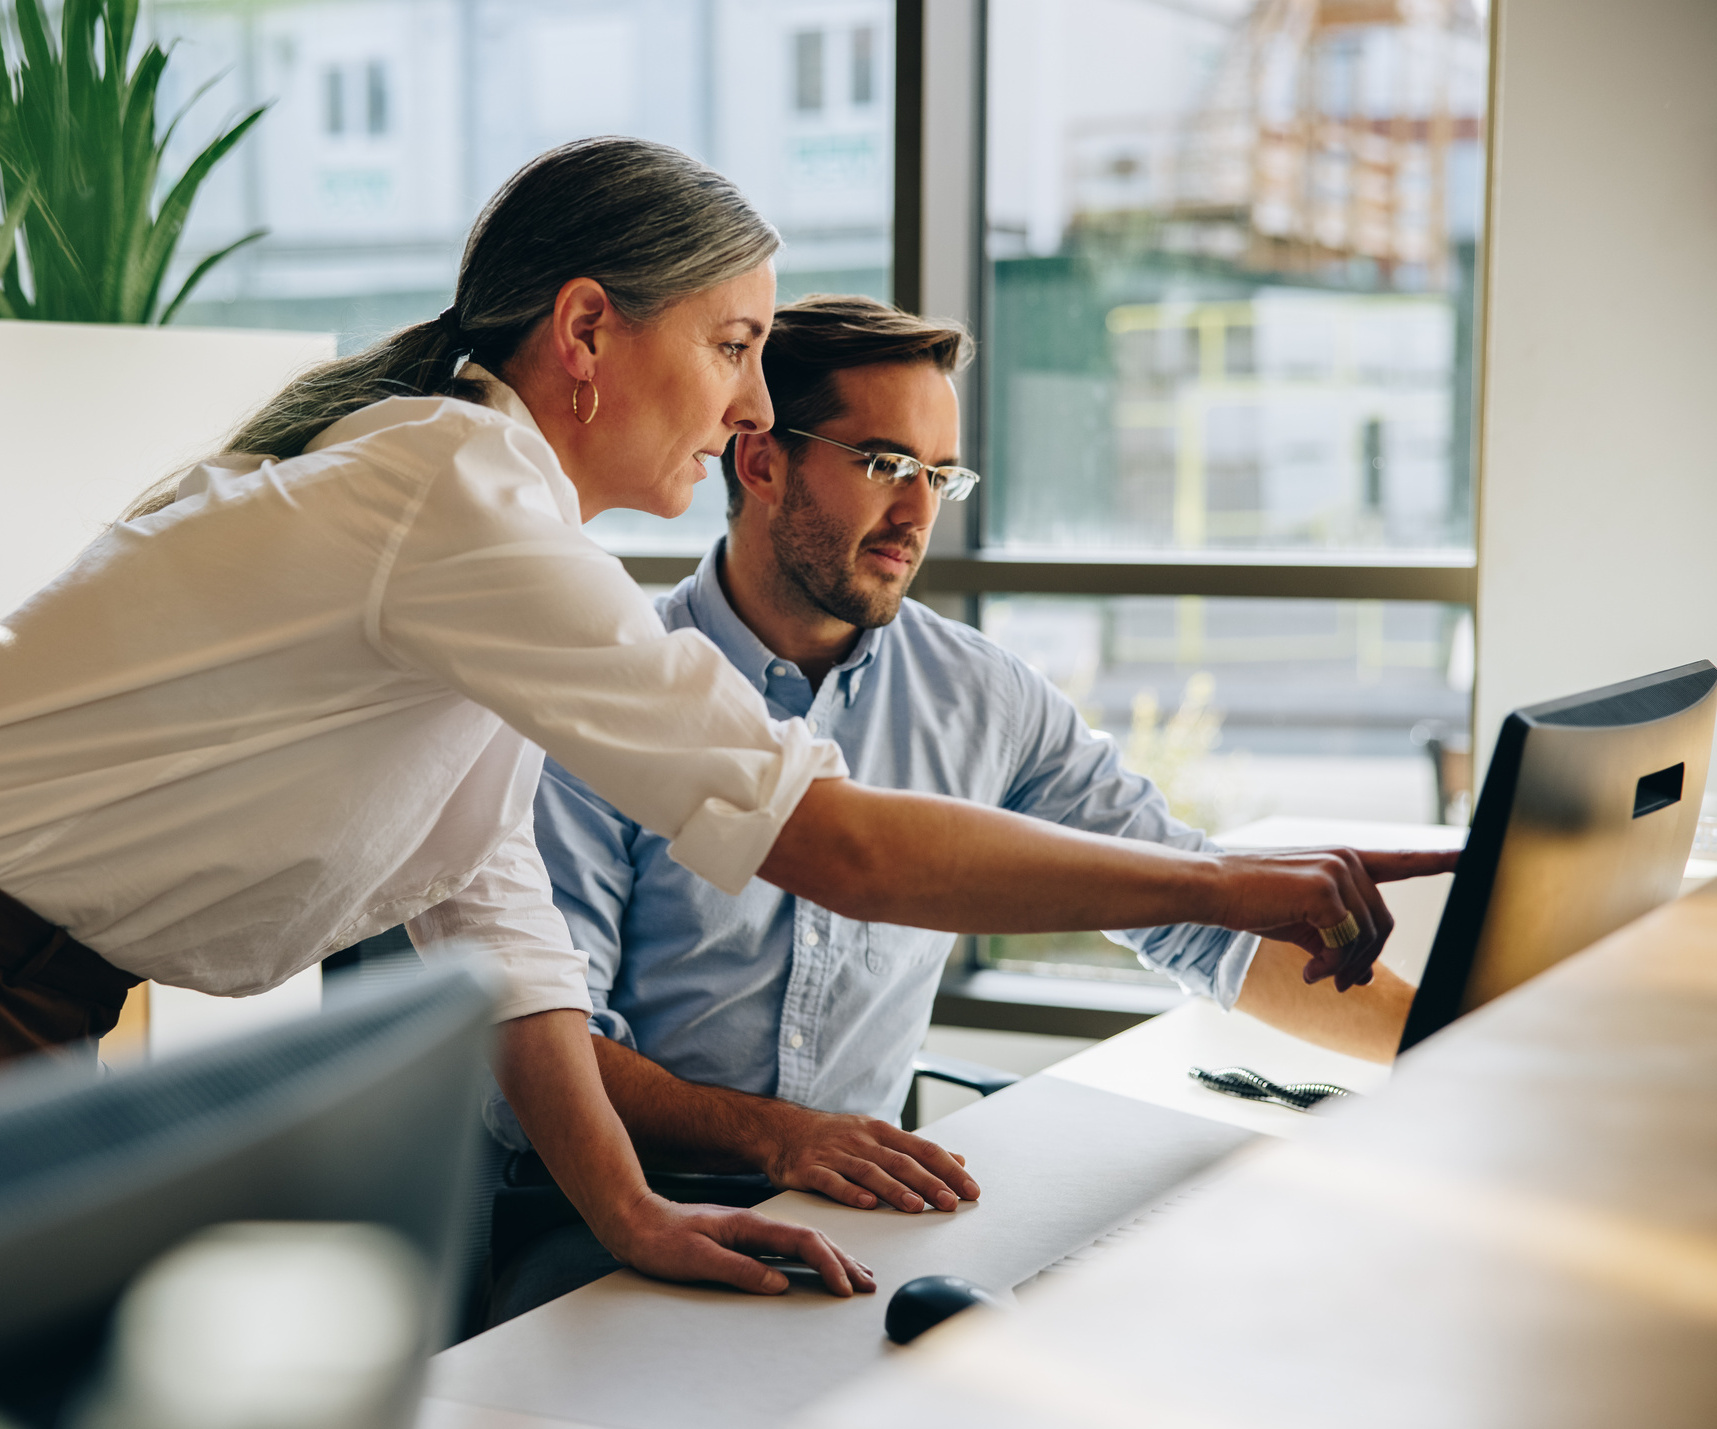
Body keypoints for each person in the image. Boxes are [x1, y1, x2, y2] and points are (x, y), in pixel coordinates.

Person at [0, 138, 1452, 1301]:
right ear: (586, 330)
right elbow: (838, 848)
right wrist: (1224, 879)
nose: (748, 399)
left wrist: (629, 1211)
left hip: (47, 988)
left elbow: (489, 914)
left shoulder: (486, 534)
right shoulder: (460, 503)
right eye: (732, 341)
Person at [484, 295, 1432, 1313]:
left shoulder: (980, 697)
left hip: (857, 1212)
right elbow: (548, 1040)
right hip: (606, 1213)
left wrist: (1446, 1056)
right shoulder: (606, 687)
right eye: (887, 465)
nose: (919, 514)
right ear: (760, 461)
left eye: (940, 476)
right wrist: (780, 1134)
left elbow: (1198, 918)